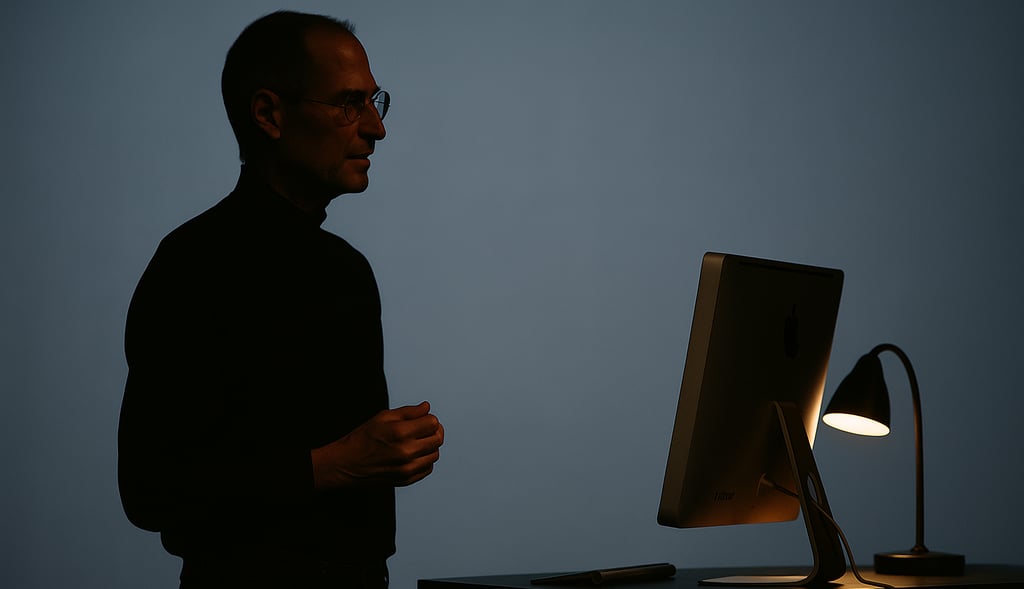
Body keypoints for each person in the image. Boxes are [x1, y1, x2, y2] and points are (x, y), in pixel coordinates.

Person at [117, 11, 444, 589]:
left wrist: (384, 453)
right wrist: (337, 464)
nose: (375, 128)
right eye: (348, 103)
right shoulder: (193, 266)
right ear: (269, 114)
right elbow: (151, 489)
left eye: (375, 101)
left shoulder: (346, 271)